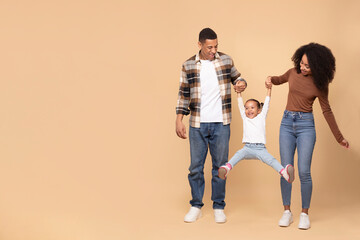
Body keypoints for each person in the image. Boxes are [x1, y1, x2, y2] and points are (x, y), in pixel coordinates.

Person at [265, 43, 350, 230]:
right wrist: (270, 79)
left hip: (306, 126)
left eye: (307, 66)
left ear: (318, 67)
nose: (302, 67)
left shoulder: (321, 84)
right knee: (286, 169)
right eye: (301, 63)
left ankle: (304, 213)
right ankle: (287, 212)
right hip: (286, 124)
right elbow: (279, 79)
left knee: (304, 171)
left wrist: (339, 137)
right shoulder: (293, 72)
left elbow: (326, 110)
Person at [175, 28, 247, 223]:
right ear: (199, 45)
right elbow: (184, 94)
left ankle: (218, 206)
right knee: (196, 168)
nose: (213, 50)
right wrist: (179, 119)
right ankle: (196, 205)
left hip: (221, 123)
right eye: (209, 47)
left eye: (216, 46)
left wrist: (241, 83)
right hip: (197, 124)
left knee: (220, 167)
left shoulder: (225, 60)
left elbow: (238, 78)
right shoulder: (188, 65)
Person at [218, 86, 295, 184]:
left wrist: (269, 90)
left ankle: (285, 174)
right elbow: (240, 105)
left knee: (271, 160)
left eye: (252, 108)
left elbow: (267, 103)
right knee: (238, 155)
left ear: (259, 110)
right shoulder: (245, 118)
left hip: (260, 149)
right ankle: (226, 169)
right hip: (247, 148)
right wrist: (238, 93)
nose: (249, 110)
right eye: (247, 108)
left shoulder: (261, 117)